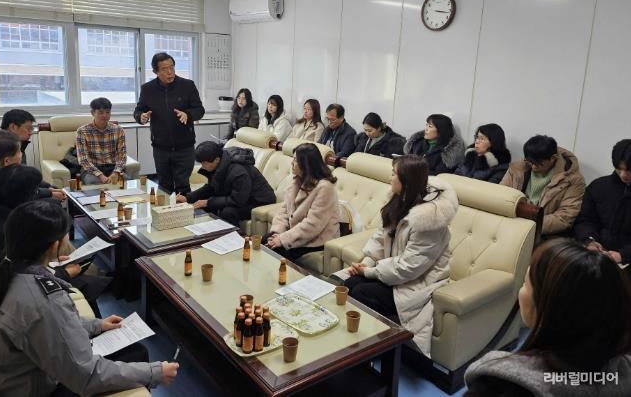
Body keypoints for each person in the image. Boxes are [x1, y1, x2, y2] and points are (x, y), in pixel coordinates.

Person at [0, 200, 178, 395]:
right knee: (137, 354)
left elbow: (45, 325)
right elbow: (86, 376)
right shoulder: (44, 299)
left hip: (2, 378)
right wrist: (154, 373)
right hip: (21, 388)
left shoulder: (0, 272)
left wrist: (97, 325)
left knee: (133, 351)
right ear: (54, 246)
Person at [464, 239, 631, 396]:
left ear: (550, 306)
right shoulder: (623, 374)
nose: (521, 290)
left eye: (526, 283)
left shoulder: (498, 384)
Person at [344, 155, 458, 356]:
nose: (389, 178)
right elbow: (381, 237)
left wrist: (370, 272)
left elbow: (410, 267)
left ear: (406, 180)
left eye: (393, 174)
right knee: (349, 283)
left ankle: (367, 352)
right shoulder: (399, 200)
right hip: (393, 274)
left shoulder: (429, 219)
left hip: (418, 283)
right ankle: (351, 345)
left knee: (362, 292)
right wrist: (366, 262)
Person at [0, 165, 110, 315]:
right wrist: (64, 273)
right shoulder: (4, 232)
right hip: (5, 297)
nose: (37, 195)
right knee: (86, 284)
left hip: (15, 283)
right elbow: (18, 280)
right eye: (34, 192)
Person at [134, 52, 205, 195]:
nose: (170, 72)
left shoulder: (187, 85)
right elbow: (138, 111)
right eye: (164, 69)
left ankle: (183, 210)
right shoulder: (148, 89)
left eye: (172, 67)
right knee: (164, 186)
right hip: (161, 148)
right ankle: (165, 210)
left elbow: (199, 110)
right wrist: (141, 117)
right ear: (155, 71)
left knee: (183, 186)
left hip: (184, 147)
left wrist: (188, 114)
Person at [264, 143, 339, 261]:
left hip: (316, 238)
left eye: (295, 160)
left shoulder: (325, 187)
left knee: (277, 250)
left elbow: (312, 225)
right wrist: (277, 233)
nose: (292, 163)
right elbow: (284, 211)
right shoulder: (297, 180)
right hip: (296, 233)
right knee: (265, 240)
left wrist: (283, 239)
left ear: (306, 164)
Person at [501, 135, 585, 236]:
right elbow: (500, 195)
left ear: (553, 158)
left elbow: (564, 217)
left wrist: (528, 226)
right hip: (510, 223)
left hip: (542, 232)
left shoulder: (573, 179)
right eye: (530, 162)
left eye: (538, 163)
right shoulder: (518, 168)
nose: (533, 167)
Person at [176, 141, 275, 227]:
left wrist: (208, 202)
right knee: (203, 206)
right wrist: (188, 198)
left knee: (227, 212)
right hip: (240, 196)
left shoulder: (238, 172)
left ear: (216, 159)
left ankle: (234, 238)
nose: (202, 166)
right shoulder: (219, 164)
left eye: (204, 163)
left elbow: (238, 200)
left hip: (258, 201)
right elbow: (211, 187)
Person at [574, 139, 631, 265]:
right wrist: (590, 240)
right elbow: (585, 220)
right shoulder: (599, 187)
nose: (623, 175)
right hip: (598, 257)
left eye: (629, 170)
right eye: (619, 168)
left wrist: (623, 255)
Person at [2, 109, 66, 201]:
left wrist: (48, 187)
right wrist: (48, 192)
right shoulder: (4, 149)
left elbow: (25, 177)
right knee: (52, 201)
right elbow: (15, 186)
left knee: (53, 190)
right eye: (28, 128)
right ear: (13, 127)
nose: (31, 132)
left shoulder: (18, 145)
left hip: (19, 192)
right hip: (9, 198)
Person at [76, 97, 128, 185]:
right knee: (95, 183)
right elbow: (83, 160)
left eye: (107, 112)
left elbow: (122, 156)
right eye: (101, 112)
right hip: (91, 170)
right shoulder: (82, 131)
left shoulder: (118, 130)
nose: (104, 115)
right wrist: (100, 176)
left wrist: (116, 172)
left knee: (128, 182)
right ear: (92, 113)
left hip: (113, 168)